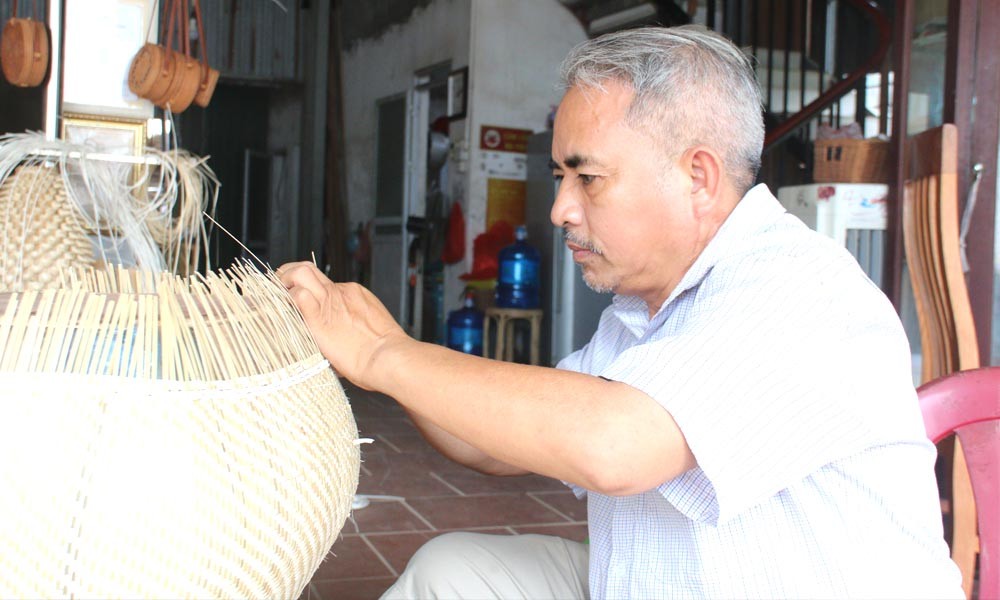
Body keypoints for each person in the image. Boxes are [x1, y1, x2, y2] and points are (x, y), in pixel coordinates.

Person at [278, 25, 963, 600]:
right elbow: (491, 442)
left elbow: (613, 446)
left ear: (697, 176)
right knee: (453, 575)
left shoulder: (795, 289)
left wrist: (381, 356)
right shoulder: (642, 310)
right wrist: (385, 344)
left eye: (589, 178)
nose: (560, 209)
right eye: (559, 178)